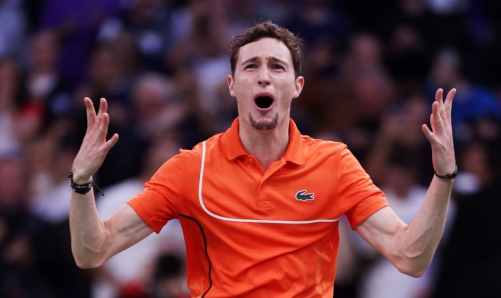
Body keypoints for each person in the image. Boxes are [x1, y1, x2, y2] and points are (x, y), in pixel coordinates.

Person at [69, 20, 457, 297]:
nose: (264, 77)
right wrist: (82, 182)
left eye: (277, 66)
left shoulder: (335, 163)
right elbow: (92, 252)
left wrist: (443, 177)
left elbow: (410, 257)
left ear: (297, 85)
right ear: (232, 85)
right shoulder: (192, 168)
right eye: (251, 66)